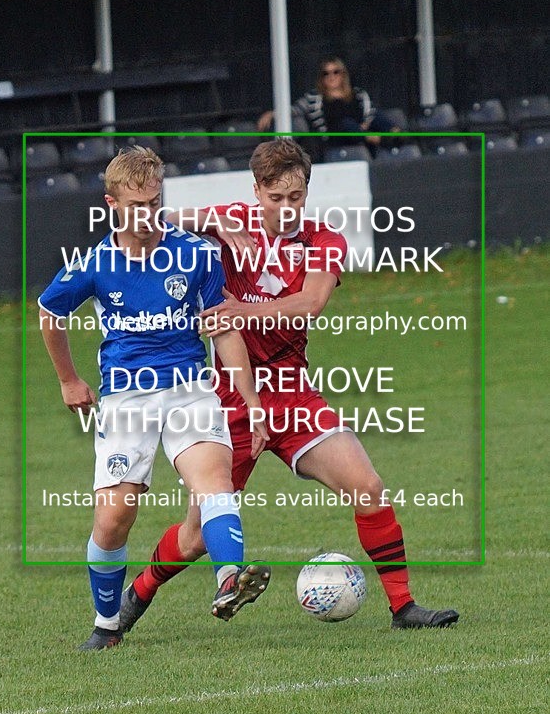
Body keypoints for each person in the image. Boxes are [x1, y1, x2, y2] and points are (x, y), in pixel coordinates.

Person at [119, 139, 459, 633]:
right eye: (275, 197)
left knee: (368, 487)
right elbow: (156, 221)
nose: (285, 208)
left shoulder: (323, 240)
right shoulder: (232, 221)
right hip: (227, 401)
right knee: (195, 538)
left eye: (295, 197)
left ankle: (404, 607)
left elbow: (311, 303)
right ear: (257, 190)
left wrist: (240, 311)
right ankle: (138, 593)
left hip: (292, 392)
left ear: (306, 194)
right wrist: (208, 220)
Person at [38, 146, 271, 650]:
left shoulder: (197, 254)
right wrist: (68, 380)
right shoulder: (94, 263)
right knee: (114, 518)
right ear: (112, 204)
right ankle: (107, 625)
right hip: (127, 398)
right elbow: (50, 313)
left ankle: (230, 579)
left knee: (214, 483)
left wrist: (251, 402)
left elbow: (222, 328)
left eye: (154, 202)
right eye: (136, 206)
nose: (147, 215)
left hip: (190, 391)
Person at [257, 57, 399, 157]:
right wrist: (272, 113)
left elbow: (370, 113)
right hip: (336, 139)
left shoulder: (358, 94)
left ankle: (397, 134)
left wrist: (364, 125)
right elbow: (294, 109)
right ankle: (379, 140)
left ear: (343, 74)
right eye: (326, 73)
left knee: (379, 116)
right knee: (346, 124)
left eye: (336, 72)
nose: (331, 76)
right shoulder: (314, 97)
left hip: (360, 133)